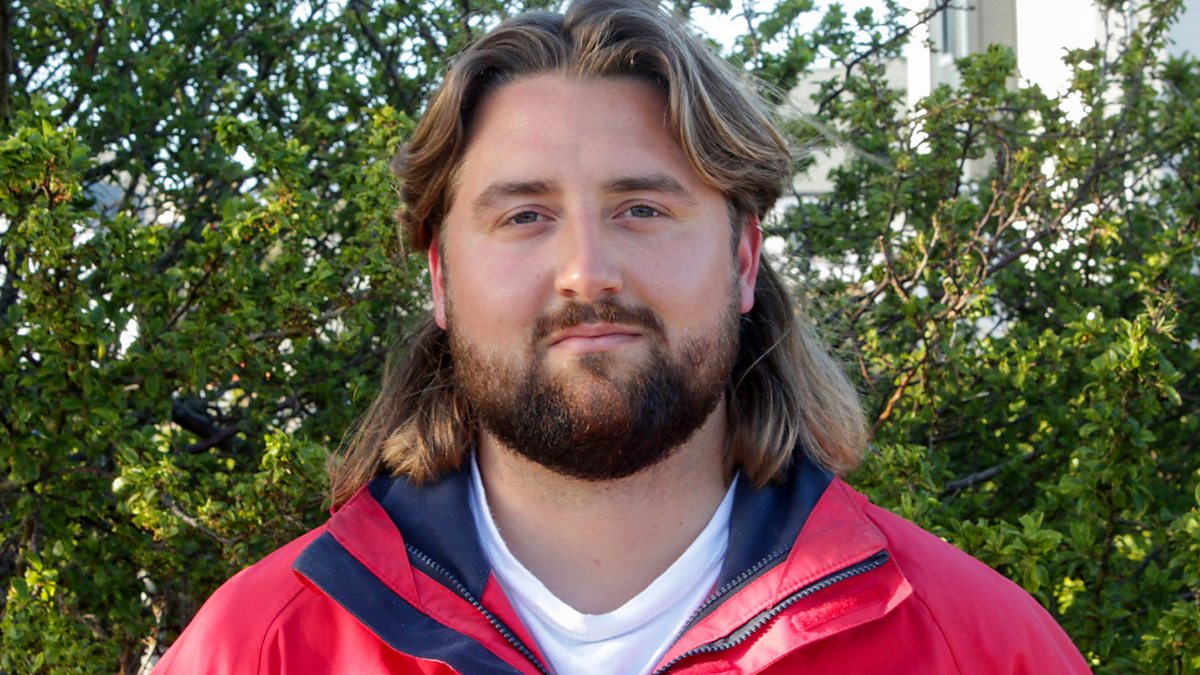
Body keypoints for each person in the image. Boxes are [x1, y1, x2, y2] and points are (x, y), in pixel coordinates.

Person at [154, 0, 1091, 672]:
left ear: (743, 258)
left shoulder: (977, 646)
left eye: (642, 207)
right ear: (439, 276)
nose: (587, 270)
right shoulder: (261, 647)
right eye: (524, 216)